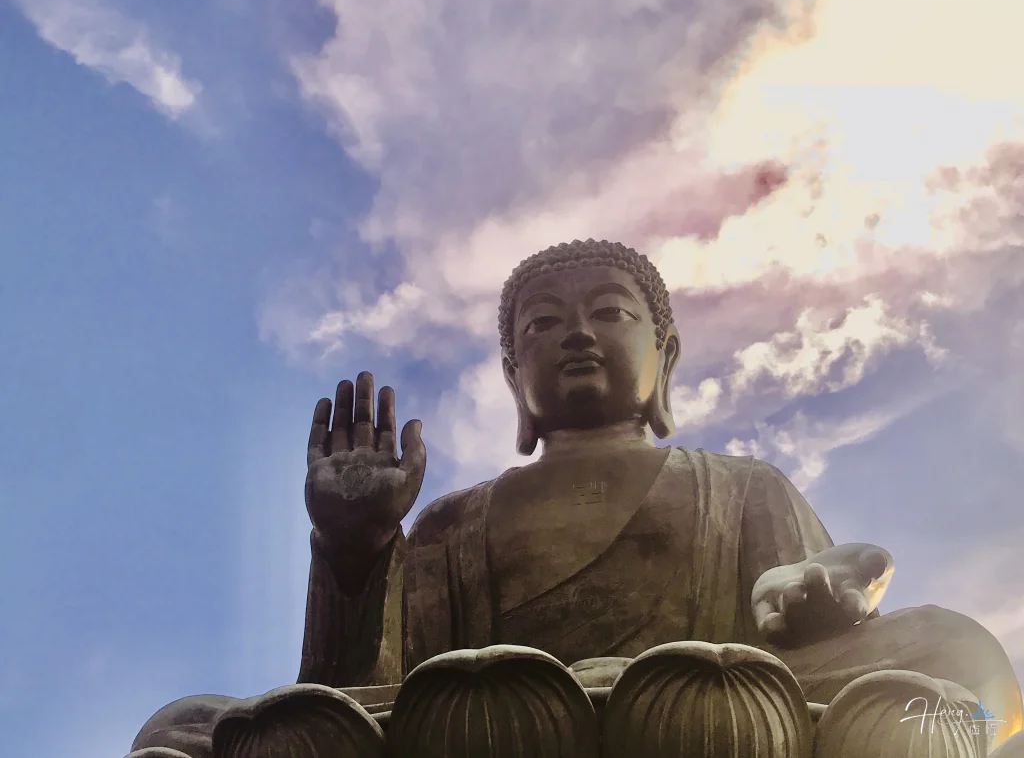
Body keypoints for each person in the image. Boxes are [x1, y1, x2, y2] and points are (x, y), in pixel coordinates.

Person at [133, 240, 1023, 756]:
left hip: (710, 706)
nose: (578, 336)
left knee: (957, 653)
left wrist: (817, 593)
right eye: (543, 326)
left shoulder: (743, 487)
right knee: (185, 730)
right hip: (496, 718)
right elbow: (351, 692)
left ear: (663, 357)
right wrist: (353, 551)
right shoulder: (454, 520)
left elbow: (810, 621)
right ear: (516, 375)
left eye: (610, 312)